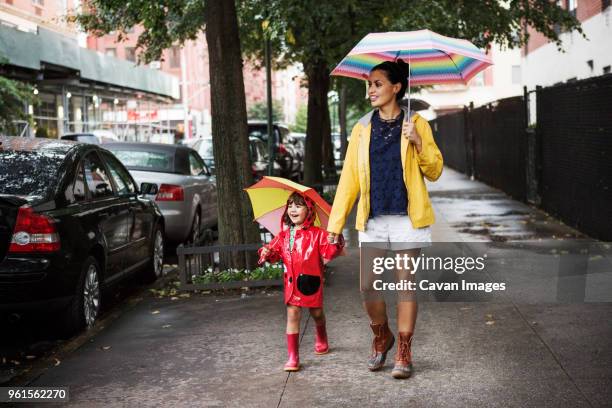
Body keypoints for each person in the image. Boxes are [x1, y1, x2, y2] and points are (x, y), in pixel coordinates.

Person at [327, 59, 443, 379]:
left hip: (407, 218)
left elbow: (434, 171)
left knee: (405, 285)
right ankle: (383, 336)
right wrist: (334, 225)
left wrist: (418, 142)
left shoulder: (416, 123)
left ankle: (404, 350)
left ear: (397, 87)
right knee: (368, 286)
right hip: (374, 218)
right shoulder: (362, 128)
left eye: (377, 84)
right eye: (369, 84)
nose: (371, 90)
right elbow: (349, 179)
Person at [258, 192, 344, 372]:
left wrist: (334, 242)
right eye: (290, 206)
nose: (293, 209)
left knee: (317, 313)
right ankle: (293, 356)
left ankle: (321, 336)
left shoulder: (318, 234)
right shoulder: (283, 236)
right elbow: (273, 252)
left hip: (311, 282)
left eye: (298, 205)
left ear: (309, 210)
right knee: (293, 314)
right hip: (291, 284)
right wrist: (266, 253)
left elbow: (329, 253)